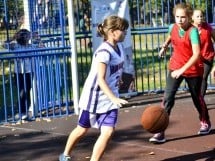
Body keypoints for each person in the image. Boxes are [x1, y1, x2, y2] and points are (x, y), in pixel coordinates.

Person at [59, 15, 129, 161]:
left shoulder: (120, 47)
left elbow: (115, 69)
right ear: (112, 31)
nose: (125, 32)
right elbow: (100, 79)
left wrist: (119, 78)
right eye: (123, 30)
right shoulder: (104, 52)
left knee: (108, 132)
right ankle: (65, 155)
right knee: (82, 129)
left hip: (110, 98)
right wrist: (114, 98)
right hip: (95, 97)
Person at [149, 3, 211, 144]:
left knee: (197, 98)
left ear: (189, 17)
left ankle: (205, 121)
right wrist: (164, 47)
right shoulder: (172, 27)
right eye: (177, 17)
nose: (180, 20)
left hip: (193, 69)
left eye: (183, 17)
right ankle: (160, 131)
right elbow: (171, 36)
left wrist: (182, 70)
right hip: (175, 66)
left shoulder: (193, 32)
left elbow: (196, 55)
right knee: (168, 97)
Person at [192, 9, 215, 97]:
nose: (200, 18)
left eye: (201, 16)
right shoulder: (190, 29)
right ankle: (196, 96)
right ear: (192, 17)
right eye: (197, 16)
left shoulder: (208, 27)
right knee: (195, 79)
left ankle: (201, 100)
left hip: (208, 57)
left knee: (203, 77)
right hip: (195, 57)